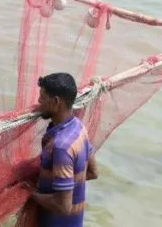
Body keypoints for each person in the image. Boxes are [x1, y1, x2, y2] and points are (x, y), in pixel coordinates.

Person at [30, 73, 98, 227]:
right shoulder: (79, 128)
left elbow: (63, 206)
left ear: (56, 101)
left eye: (42, 97)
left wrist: (30, 194)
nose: (39, 101)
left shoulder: (61, 147)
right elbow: (93, 172)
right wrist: (62, 186)